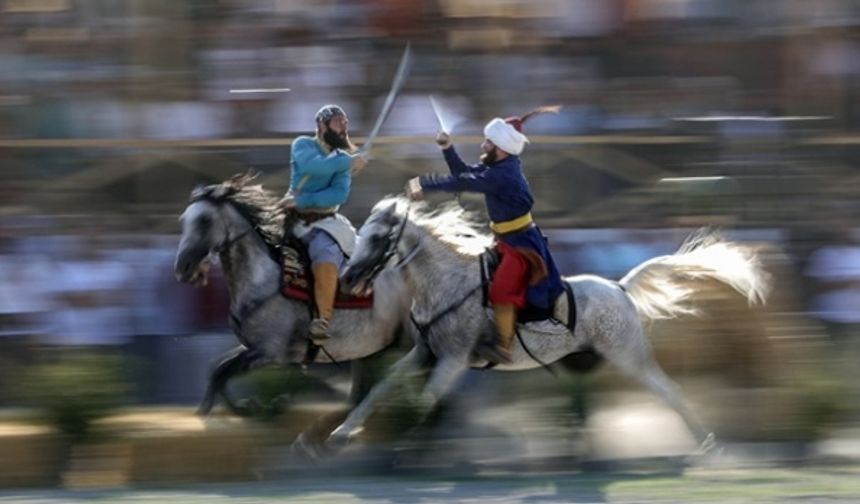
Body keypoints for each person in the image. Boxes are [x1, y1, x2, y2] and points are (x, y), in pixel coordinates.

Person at [406, 107, 565, 363]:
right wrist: (447, 148)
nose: (483, 145)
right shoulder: (499, 166)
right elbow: (463, 174)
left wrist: (425, 185)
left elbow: (463, 182)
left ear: (500, 147)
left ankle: (503, 345)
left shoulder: (502, 175)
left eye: (488, 142)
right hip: (504, 239)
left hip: (521, 244)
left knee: (501, 291)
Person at [282, 104, 367, 343]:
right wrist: (350, 161)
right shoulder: (302, 145)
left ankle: (323, 320)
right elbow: (313, 166)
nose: (344, 127)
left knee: (325, 255)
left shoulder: (342, 159)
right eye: (338, 122)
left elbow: (338, 196)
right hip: (289, 220)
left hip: (324, 224)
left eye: (346, 123)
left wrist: (302, 201)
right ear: (321, 125)